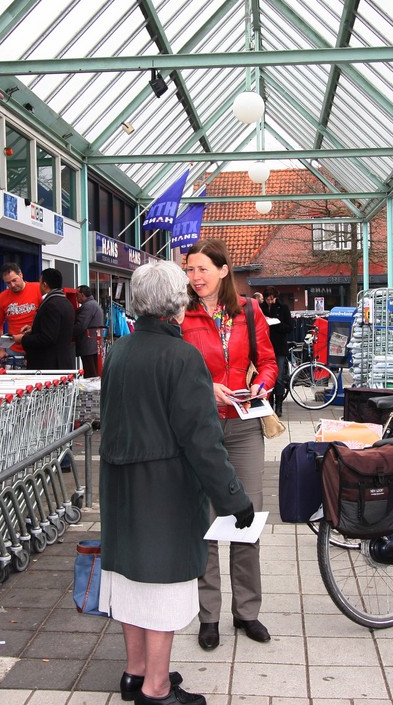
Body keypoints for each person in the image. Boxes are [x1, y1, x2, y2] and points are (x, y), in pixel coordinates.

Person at [99, 260, 255, 705]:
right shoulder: (182, 357)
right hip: (163, 493)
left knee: (131, 584)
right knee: (163, 590)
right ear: (177, 303)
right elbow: (202, 442)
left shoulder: (119, 352)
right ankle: (157, 688)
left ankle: (136, 673)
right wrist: (234, 499)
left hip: (121, 488)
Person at [180, 238, 277, 650]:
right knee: (202, 523)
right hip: (199, 429)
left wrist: (261, 385)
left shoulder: (249, 310)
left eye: (202, 268)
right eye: (189, 269)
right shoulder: (180, 314)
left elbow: (268, 362)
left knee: (245, 518)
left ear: (223, 270)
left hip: (243, 426)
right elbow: (174, 372)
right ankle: (208, 616)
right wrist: (207, 388)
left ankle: (247, 612)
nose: (195, 277)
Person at [18, 268, 76, 371]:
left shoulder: (51, 305)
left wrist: (22, 339)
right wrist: (33, 329)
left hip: (49, 364)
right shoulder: (66, 303)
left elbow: (47, 337)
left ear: (44, 285)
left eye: (40, 282)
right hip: (63, 361)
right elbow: (58, 329)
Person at [0, 263, 41, 360]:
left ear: (21, 275)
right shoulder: (3, 297)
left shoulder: (38, 289)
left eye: (14, 280)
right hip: (13, 349)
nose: (12, 285)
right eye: (8, 283)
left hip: (36, 346)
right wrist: (1, 349)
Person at [263, 288, 292, 416]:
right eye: (267, 299)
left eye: (272, 299)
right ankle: (269, 404)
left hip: (279, 347)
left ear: (276, 297)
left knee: (278, 377)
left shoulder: (283, 308)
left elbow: (289, 327)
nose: (270, 301)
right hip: (264, 347)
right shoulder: (260, 308)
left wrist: (276, 323)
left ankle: (279, 405)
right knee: (266, 376)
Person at [73, 285, 105, 378]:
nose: (76, 297)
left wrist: (67, 332)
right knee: (94, 373)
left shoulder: (88, 306)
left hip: (89, 347)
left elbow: (80, 326)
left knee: (90, 375)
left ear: (82, 295)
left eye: (77, 295)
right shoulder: (94, 304)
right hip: (94, 346)